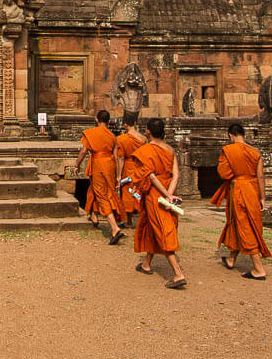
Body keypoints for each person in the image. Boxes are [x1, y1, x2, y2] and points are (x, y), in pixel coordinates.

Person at [130, 117, 186, 289]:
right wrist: (170, 193)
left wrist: (165, 195)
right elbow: (176, 174)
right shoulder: (170, 149)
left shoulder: (146, 150)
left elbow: (151, 177)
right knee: (151, 226)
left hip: (157, 195)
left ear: (147, 131)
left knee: (163, 229)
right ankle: (147, 263)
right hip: (168, 190)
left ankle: (178, 274)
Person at [213, 123, 272, 280]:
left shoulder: (228, 150)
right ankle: (232, 259)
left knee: (245, 225)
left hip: (239, 189)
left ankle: (259, 269)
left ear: (230, 135)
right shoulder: (255, 152)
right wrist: (262, 198)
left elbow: (224, 173)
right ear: (244, 135)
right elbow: (260, 177)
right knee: (237, 223)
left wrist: (235, 171)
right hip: (252, 190)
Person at [68, 109, 125, 244]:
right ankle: (94, 216)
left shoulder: (92, 133)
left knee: (102, 195)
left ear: (96, 119)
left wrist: (77, 164)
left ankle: (114, 227)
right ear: (109, 121)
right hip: (110, 165)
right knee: (99, 189)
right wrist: (118, 176)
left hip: (98, 164)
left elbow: (83, 151)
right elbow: (116, 157)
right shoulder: (112, 136)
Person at [114, 113, 147, 227]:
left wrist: (118, 175)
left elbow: (121, 158)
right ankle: (140, 216)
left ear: (124, 124)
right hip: (139, 167)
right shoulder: (143, 139)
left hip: (128, 167)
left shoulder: (121, 139)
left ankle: (128, 220)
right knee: (138, 192)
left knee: (128, 193)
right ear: (135, 123)